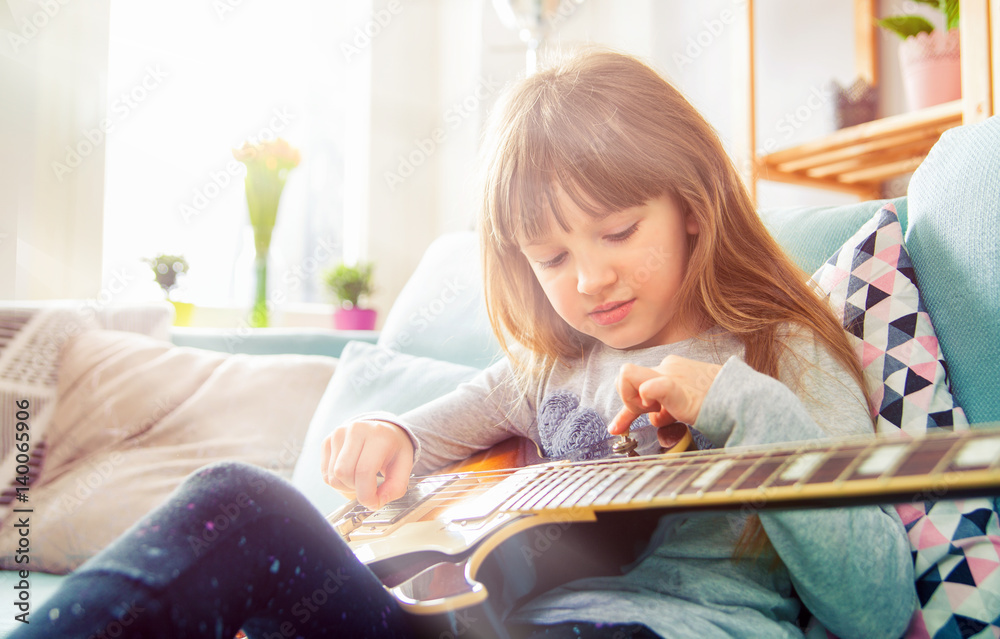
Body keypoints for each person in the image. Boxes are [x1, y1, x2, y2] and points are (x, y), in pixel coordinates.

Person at [12, 48, 917, 639]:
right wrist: (392, 438)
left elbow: (877, 613)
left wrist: (734, 405)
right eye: (552, 255)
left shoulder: (782, 351)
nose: (589, 279)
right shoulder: (554, 363)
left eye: (615, 230)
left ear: (690, 202)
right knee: (236, 501)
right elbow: (436, 432)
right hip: (476, 626)